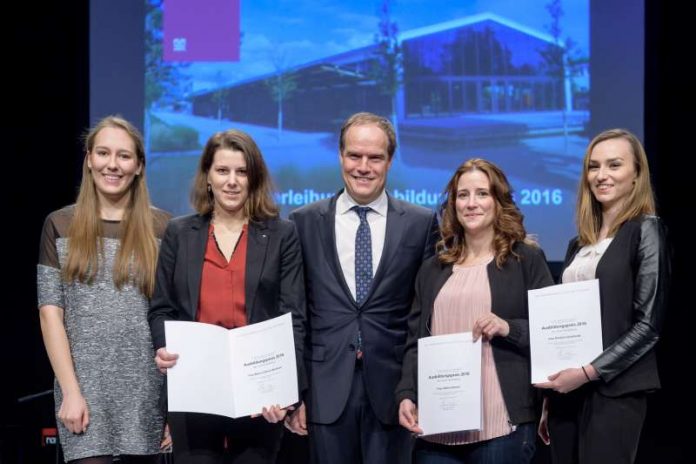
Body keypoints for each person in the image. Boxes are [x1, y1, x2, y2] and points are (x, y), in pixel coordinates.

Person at [286, 112, 439, 463]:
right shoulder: (303, 222)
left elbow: (424, 314)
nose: (363, 167)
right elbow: (296, 314)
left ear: (389, 160)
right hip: (324, 390)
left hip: (394, 391)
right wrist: (297, 393)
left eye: (375, 158)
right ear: (340, 156)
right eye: (355, 156)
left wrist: (415, 387)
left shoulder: (420, 224)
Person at [147, 129, 306, 463]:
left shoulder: (282, 233)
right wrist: (164, 348)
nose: (232, 181)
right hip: (195, 388)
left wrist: (285, 390)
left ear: (254, 178)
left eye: (242, 171)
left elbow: (293, 318)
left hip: (259, 396)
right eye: (222, 171)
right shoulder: (179, 232)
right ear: (208, 176)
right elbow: (162, 308)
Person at [395, 158, 553, 463]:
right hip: (437, 427)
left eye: (482, 193)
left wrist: (508, 327)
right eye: (462, 195)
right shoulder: (433, 269)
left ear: (498, 201)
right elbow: (415, 342)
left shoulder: (525, 259)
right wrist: (407, 393)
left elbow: (550, 332)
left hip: (502, 425)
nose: (471, 203)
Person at [37, 116, 170, 463]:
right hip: (83, 396)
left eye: (124, 156)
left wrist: (175, 408)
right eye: (103, 153)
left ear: (139, 166)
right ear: (88, 160)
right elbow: (51, 315)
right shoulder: (59, 224)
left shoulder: (164, 227)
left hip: (147, 398)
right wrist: (70, 392)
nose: (113, 164)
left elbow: (175, 318)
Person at [535, 129, 670, 463]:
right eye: (593, 167)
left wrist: (587, 372)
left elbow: (648, 326)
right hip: (566, 394)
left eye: (614, 165)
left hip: (614, 389)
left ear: (637, 173)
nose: (601, 175)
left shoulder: (647, 230)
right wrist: (549, 400)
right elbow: (562, 322)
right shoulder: (577, 244)